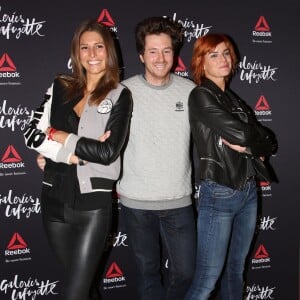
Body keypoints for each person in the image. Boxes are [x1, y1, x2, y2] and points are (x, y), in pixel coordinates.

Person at [23, 19, 132, 300]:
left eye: (99, 46)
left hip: (92, 208)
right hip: (53, 200)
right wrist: (69, 154)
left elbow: (107, 153)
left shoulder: (120, 95)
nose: (92, 54)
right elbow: (30, 133)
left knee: (74, 293)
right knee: (82, 287)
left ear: (109, 51)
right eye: (85, 47)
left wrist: (59, 134)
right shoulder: (60, 86)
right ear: (77, 52)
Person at [184, 33, 277, 300]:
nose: (222, 59)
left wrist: (251, 146)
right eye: (213, 54)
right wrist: (253, 141)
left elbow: (266, 141)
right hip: (220, 192)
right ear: (201, 62)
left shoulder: (233, 99)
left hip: (248, 191)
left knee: (236, 271)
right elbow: (245, 134)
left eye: (226, 53)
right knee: (205, 282)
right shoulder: (201, 95)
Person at [116, 16, 196, 300]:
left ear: (174, 54)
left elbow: (213, 135)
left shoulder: (190, 92)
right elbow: (92, 135)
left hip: (179, 200)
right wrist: (55, 155)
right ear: (141, 55)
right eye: (153, 51)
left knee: (186, 273)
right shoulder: (122, 92)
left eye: (166, 50)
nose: (160, 58)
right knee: (148, 274)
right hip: (136, 202)